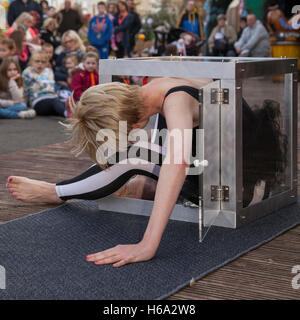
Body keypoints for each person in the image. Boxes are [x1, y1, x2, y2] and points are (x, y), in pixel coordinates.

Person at [5, 77, 287, 267]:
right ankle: (90, 188)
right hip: (235, 175)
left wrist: (146, 245)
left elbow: (176, 162)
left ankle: (59, 192)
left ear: (133, 123)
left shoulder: (175, 101)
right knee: (140, 155)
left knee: (133, 156)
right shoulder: (156, 88)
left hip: (240, 195)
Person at [22, 50, 66, 117]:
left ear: (47, 63)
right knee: (55, 102)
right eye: (37, 61)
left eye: (43, 62)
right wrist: (24, 105)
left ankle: (77, 115)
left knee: (64, 102)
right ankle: (68, 115)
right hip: (38, 100)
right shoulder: (27, 72)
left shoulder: (49, 71)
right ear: (31, 62)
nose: (40, 64)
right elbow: (25, 89)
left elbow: (52, 86)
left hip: (52, 97)